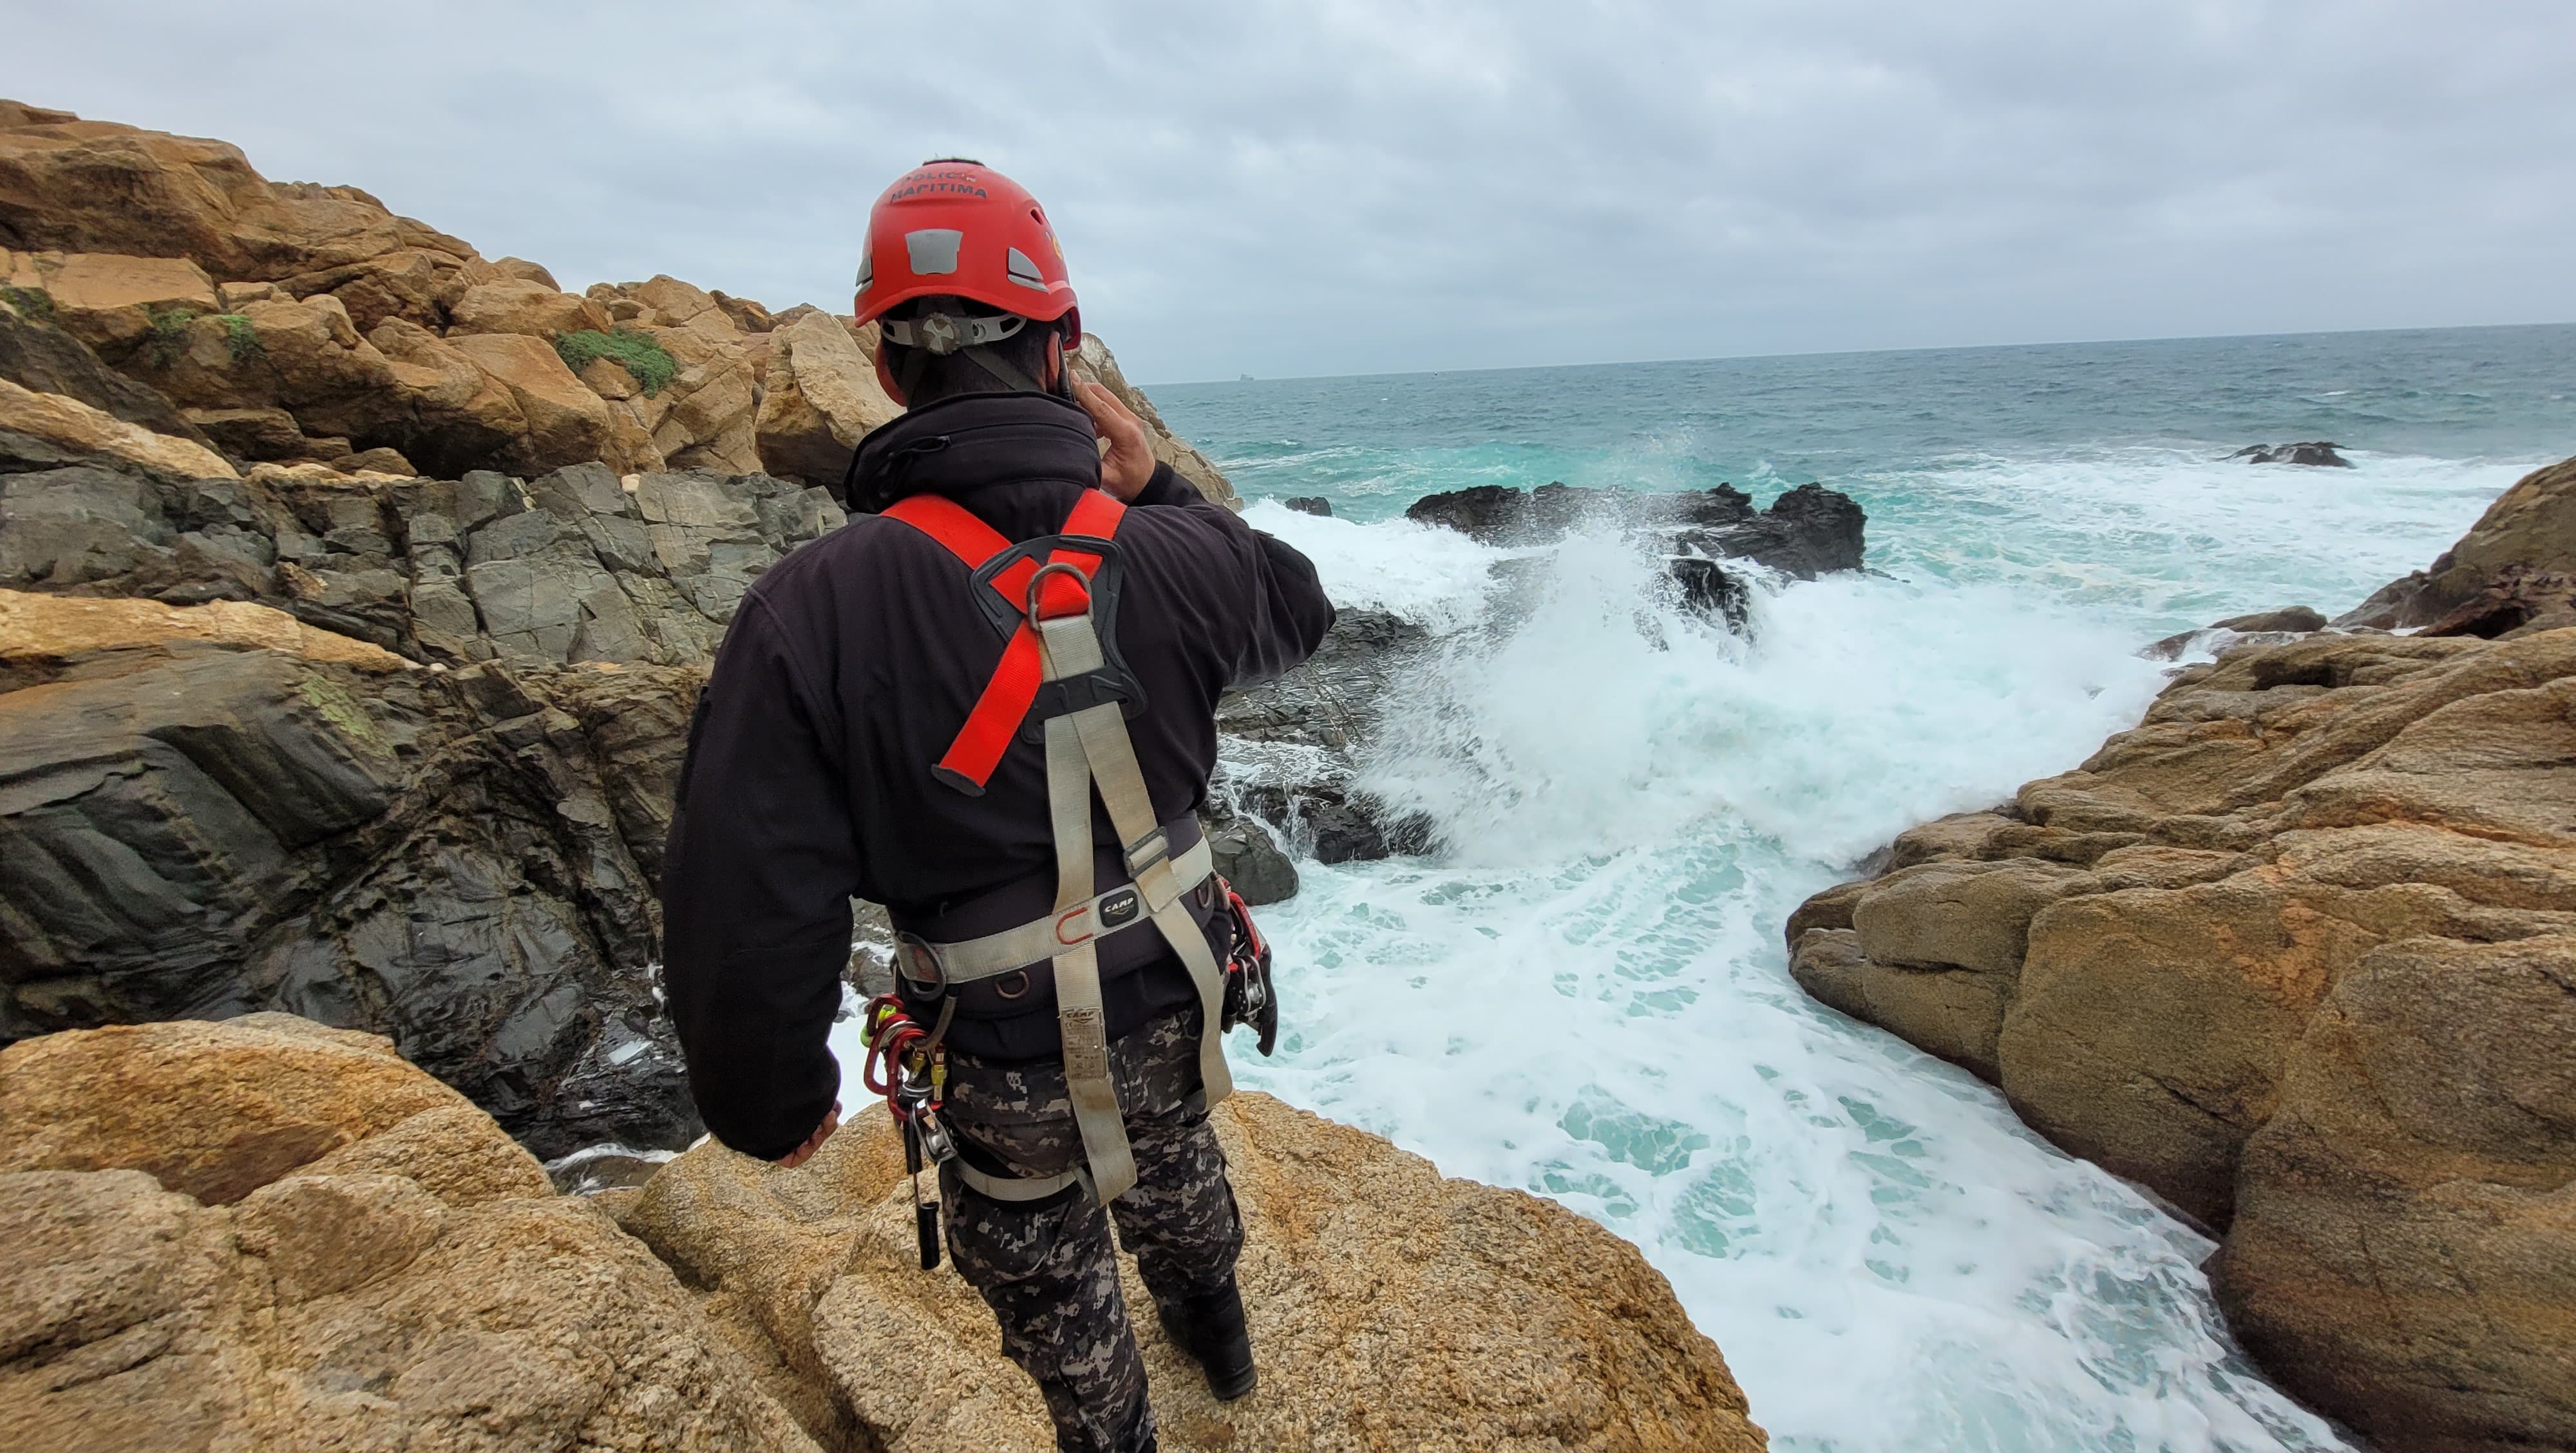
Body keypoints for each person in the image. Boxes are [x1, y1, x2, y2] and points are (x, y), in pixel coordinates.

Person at [661, 157, 1334, 1453]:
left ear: (886, 364)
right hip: (1182, 982)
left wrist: (771, 1101)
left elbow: (748, 889)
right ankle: (1223, 1343)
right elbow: (1299, 604)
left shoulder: (808, 608)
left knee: (1044, 1272)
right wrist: (1158, 495)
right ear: (1061, 350)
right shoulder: (1178, 553)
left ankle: (1119, 1430)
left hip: (1004, 1049)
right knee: (1181, 1162)